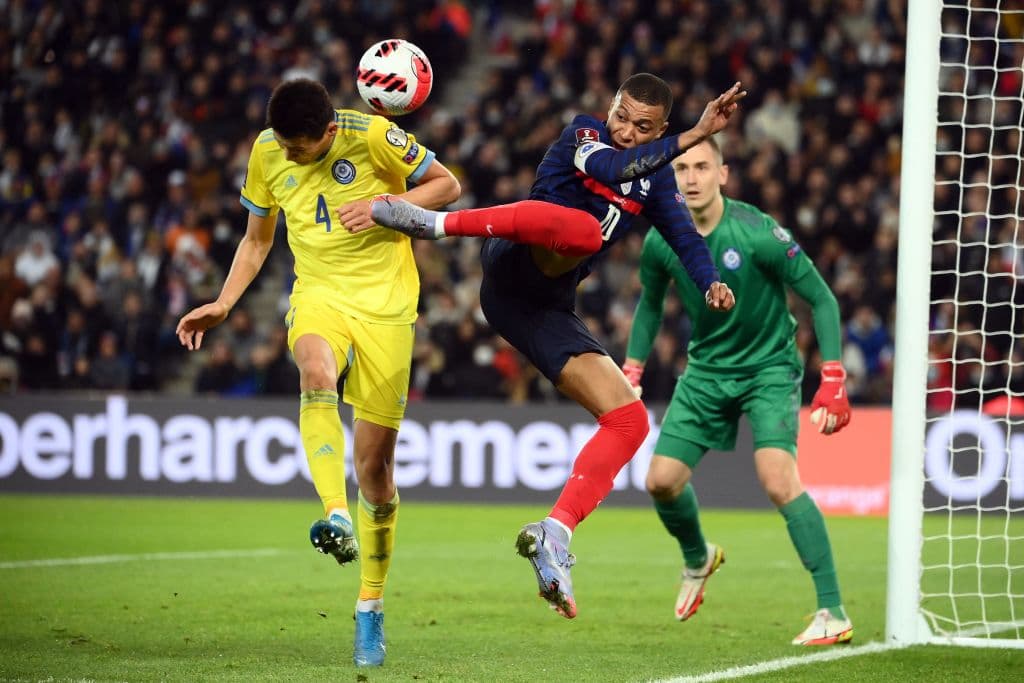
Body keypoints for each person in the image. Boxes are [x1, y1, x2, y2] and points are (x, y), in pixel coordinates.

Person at [363, 74, 744, 619]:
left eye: (644, 127)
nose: (627, 132)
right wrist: (693, 135)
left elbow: (684, 235)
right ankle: (435, 223)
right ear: (610, 106)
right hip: (511, 260)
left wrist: (709, 280)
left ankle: (554, 534)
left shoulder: (657, 181)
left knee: (630, 420)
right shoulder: (585, 134)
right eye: (623, 116)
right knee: (585, 231)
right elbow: (612, 169)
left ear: (659, 129)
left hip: (542, 306)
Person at [175, 78, 460, 667]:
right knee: (313, 371)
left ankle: (370, 608)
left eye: (299, 148)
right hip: (319, 295)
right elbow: (257, 241)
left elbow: (447, 185)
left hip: (388, 307)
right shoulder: (266, 149)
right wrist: (225, 303)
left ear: (328, 133)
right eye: (282, 144)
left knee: (376, 473)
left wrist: (385, 207)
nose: (289, 154)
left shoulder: (374, 136)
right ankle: (334, 513)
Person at [622, 137, 853, 645]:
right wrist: (633, 367)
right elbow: (651, 306)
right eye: (681, 167)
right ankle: (697, 558)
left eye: (703, 166)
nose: (691, 177)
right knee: (660, 481)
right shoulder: (663, 240)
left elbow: (821, 298)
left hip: (768, 368)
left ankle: (832, 610)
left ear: (723, 173)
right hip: (706, 371)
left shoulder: (757, 232)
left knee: (777, 478)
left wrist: (832, 375)